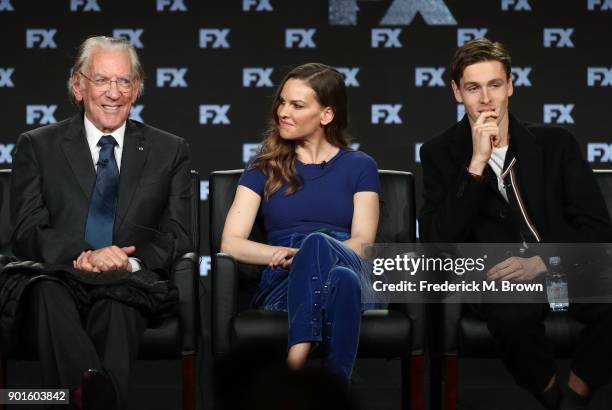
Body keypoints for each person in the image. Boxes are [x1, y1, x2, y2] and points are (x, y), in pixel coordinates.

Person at [419, 38, 612, 410]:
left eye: (494, 84)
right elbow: (437, 239)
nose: (486, 98)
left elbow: (596, 227)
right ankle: (555, 400)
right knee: (513, 318)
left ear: (510, 85)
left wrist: (544, 260)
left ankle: (574, 399)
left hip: (563, 266)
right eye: (473, 87)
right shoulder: (440, 152)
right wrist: (475, 166)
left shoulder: (556, 144)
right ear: (457, 92)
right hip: (501, 278)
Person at [1, 36, 192, 410]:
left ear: (136, 89)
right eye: (102, 80)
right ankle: (95, 397)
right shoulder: (37, 145)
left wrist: (126, 261)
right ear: (78, 85)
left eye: (124, 81)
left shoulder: (169, 149)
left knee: (119, 300)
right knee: (46, 292)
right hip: (58, 275)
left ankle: (78, 398)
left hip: (129, 279)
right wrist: (85, 255)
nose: (113, 92)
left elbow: (179, 234)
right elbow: (26, 231)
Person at [221, 63, 380, 383]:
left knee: (324, 250)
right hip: (286, 279)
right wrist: (291, 256)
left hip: (347, 259)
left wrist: (313, 250)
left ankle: (293, 369)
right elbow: (231, 242)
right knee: (341, 282)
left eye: (297, 105)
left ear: (326, 115)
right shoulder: (262, 167)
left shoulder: (361, 166)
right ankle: (335, 396)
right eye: (282, 102)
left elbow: (363, 241)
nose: (283, 112)